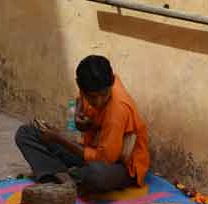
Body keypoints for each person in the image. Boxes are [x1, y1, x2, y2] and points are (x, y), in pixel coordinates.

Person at [15, 55, 150, 194]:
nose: (98, 102)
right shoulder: (96, 83)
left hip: (119, 166)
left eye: (104, 94)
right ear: (80, 86)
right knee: (25, 133)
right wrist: (77, 114)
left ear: (112, 83)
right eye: (92, 97)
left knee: (95, 174)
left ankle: (62, 178)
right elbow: (78, 100)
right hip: (90, 149)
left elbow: (105, 159)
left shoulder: (118, 110)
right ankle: (66, 178)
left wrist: (59, 138)